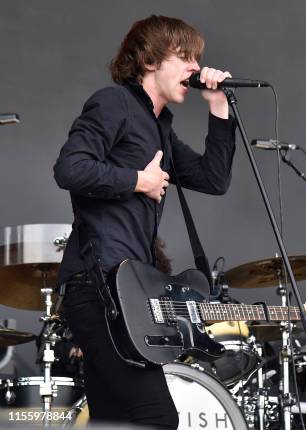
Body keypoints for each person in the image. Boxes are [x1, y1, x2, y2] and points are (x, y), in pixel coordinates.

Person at [53, 15, 236, 428]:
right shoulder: (114, 103)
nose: (194, 67)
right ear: (150, 60)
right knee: (156, 417)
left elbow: (214, 179)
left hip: (126, 293)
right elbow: (70, 169)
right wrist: (139, 180)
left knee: (116, 420)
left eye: (197, 59)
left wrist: (219, 108)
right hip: (98, 288)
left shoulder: (160, 129)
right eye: (185, 56)